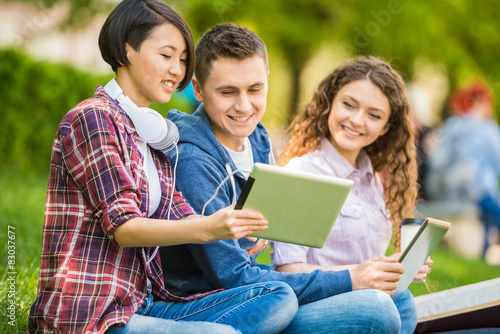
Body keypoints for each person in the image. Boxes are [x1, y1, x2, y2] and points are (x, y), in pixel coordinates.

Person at [27, 1, 298, 333]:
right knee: (221, 332)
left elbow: (182, 216)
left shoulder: (154, 136)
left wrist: (236, 229)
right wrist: (212, 228)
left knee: (277, 295)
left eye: (183, 60)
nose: (177, 70)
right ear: (127, 49)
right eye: (166, 55)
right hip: (91, 314)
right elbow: (124, 228)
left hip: (148, 304)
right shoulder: (94, 118)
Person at [160, 23, 404, 333]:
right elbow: (237, 277)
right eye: (227, 92)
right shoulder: (194, 162)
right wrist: (351, 279)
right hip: (205, 303)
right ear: (197, 89)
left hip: (248, 290)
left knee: (401, 300)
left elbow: (258, 244)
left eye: (255, 89)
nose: (244, 106)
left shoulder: (257, 136)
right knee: (371, 309)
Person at [270, 56, 429, 333]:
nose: (356, 120)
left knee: (403, 300)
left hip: (362, 302)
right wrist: (362, 275)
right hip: (309, 308)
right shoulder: (304, 172)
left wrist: (397, 269)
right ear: (330, 102)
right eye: (349, 104)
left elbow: (371, 267)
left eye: (374, 115)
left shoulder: (374, 182)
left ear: (386, 127)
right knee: (378, 307)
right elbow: (287, 273)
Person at [425, 80, 500, 255]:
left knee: (488, 216)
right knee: (493, 207)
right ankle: (484, 254)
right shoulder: (487, 128)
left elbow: (435, 161)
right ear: (481, 103)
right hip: (476, 192)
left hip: (444, 192)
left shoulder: (451, 125)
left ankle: (484, 254)